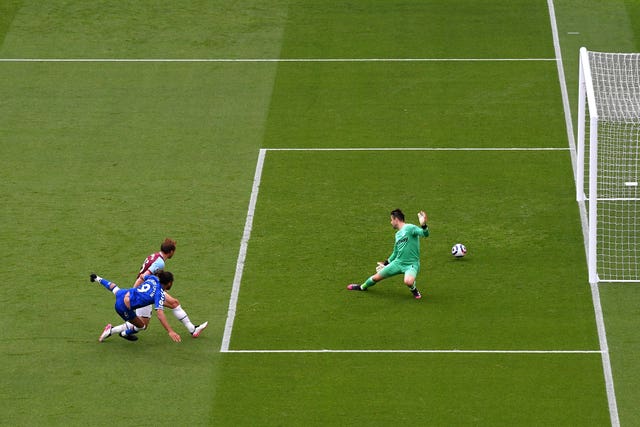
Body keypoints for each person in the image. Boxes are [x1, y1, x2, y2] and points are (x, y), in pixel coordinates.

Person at [129, 238, 208, 338]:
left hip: (151, 289)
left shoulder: (155, 256)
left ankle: (193, 329)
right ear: (171, 252)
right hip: (144, 292)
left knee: (174, 303)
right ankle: (113, 330)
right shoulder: (160, 263)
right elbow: (143, 276)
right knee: (142, 324)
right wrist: (133, 292)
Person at [347, 209, 429, 299]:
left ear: (396, 219)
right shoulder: (397, 234)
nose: (391, 222)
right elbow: (395, 252)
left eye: (391, 220)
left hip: (411, 264)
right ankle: (362, 287)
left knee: (408, 281)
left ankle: (413, 289)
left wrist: (423, 225)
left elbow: (425, 234)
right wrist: (385, 264)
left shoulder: (410, 228)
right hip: (398, 263)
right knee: (375, 278)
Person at [90, 271, 181, 342]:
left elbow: (142, 276)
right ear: (169, 283)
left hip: (125, 293)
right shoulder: (159, 294)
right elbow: (160, 314)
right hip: (123, 307)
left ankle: (96, 278)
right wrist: (170, 331)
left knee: (114, 288)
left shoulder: (153, 278)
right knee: (142, 326)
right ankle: (117, 332)